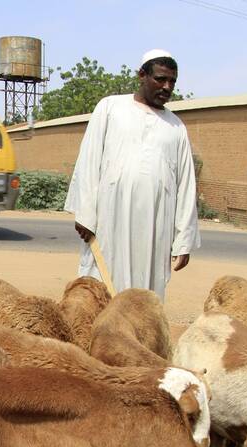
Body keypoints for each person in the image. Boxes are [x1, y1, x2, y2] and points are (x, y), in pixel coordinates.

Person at [63, 49, 199, 299]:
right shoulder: (110, 107)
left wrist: (183, 240)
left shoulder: (176, 127)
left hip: (156, 225)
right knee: (100, 288)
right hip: (109, 219)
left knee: (144, 297)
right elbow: (89, 161)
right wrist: (85, 213)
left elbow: (186, 186)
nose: (167, 87)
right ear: (142, 75)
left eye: (172, 81)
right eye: (160, 79)